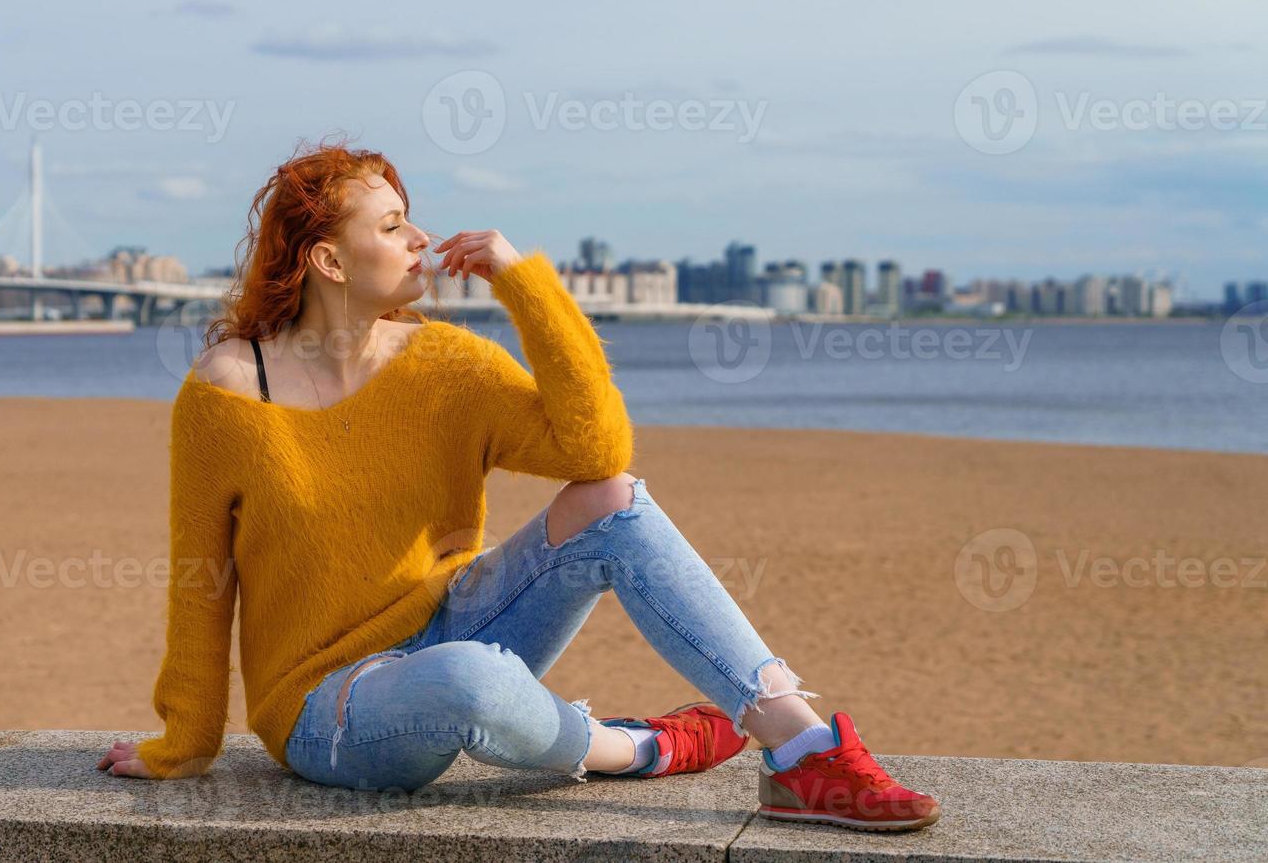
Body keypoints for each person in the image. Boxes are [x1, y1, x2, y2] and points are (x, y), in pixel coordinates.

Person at [96, 135, 941, 832]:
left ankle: (801, 750)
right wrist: (188, 740)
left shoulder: (446, 365)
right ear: (328, 258)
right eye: (393, 226)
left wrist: (522, 284)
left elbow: (596, 447)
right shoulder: (227, 392)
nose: (420, 239)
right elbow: (201, 581)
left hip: (460, 617)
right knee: (468, 678)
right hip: (327, 708)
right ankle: (635, 747)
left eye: (411, 219)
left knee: (612, 500)